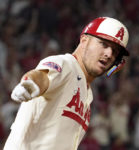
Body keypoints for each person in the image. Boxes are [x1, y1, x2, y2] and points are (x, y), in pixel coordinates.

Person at [3, 17, 130, 150]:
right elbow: (43, 76)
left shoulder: (88, 94)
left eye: (115, 51)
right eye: (104, 44)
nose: (109, 54)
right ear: (84, 41)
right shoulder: (66, 64)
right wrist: (31, 84)